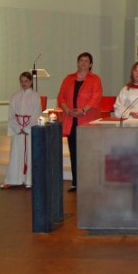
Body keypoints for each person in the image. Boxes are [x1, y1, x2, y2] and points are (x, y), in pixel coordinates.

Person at [57, 52, 103, 192]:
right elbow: (61, 97)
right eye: (81, 60)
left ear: (91, 64)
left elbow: (95, 98)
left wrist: (83, 110)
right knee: (74, 152)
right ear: (77, 63)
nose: (83, 63)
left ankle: (89, 183)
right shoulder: (68, 78)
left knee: (88, 153)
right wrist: (67, 110)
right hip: (71, 120)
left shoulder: (95, 79)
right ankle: (76, 182)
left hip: (88, 121)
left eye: (86, 61)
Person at [2, 72, 42, 189]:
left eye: (26, 81)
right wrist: (18, 128)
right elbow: (11, 114)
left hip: (29, 130)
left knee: (29, 154)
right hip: (18, 130)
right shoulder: (15, 96)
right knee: (16, 154)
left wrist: (27, 128)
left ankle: (29, 180)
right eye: (22, 81)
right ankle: (14, 179)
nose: (24, 83)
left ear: (31, 82)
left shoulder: (35, 96)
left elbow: (36, 114)